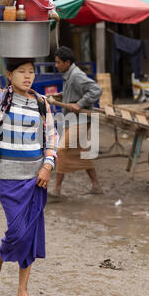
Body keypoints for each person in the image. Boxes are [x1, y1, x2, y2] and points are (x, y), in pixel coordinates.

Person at [0, 11, 58, 296]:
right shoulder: (0, 98)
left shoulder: (42, 104)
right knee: (17, 231)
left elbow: (51, 140)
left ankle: (22, 291)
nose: (27, 76)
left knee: (31, 235)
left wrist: (48, 165)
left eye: (31, 71)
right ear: (9, 75)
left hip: (36, 180)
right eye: (21, 71)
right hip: (10, 179)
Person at [48, 46, 103, 197]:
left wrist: (80, 104)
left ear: (67, 62)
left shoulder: (76, 75)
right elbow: (74, 92)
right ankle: (96, 186)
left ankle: (57, 189)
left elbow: (96, 90)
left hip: (81, 120)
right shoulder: (69, 74)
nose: (56, 65)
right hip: (73, 120)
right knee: (81, 152)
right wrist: (61, 95)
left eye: (58, 62)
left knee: (62, 150)